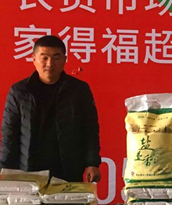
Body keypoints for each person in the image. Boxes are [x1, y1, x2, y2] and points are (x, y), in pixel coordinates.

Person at [0, 35, 101, 183]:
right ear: (34, 59)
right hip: (29, 168)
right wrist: (4, 169)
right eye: (44, 58)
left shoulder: (78, 90)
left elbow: (89, 129)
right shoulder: (19, 91)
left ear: (65, 60)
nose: (50, 63)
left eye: (56, 57)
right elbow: (9, 134)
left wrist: (92, 163)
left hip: (68, 168)